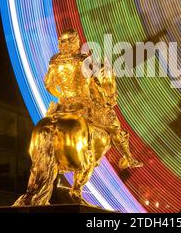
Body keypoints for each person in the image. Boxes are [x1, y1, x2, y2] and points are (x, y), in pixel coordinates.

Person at [44, 28, 142, 169]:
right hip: (84, 105)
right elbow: (96, 80)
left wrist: (62, 96)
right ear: (75, 42)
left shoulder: (54, 61)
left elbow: (48, 85)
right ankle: (129, 157)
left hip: (62, 105)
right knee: (114, 126)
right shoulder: (82, 59)